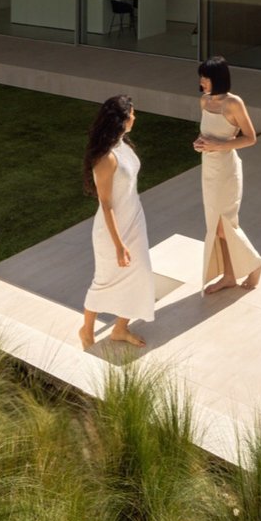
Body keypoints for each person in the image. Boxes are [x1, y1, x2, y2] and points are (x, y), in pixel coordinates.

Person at [79, 93, 154, 348]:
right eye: (132, 114)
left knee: (141, 275)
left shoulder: (124, 145)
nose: (135, 117)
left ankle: (120, 328)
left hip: (135, 220)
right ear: (121, 120)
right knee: (104, 280)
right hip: (112, 229)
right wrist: (119, 245)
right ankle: (86, 330)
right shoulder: (106, 158)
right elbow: (106, 203)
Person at [195, 56, 261, 295]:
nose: (202, 82)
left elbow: (250, 138)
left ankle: (255, 264)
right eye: (201, 78)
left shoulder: (234, 103)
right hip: (208, 168)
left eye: (205, 78)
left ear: (218, 78)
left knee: (225, 225)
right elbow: (207, 133)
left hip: (226, 170)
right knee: (215, 226)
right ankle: (229, 276)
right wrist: (200, 143)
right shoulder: (204, 101)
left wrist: (219, 145)